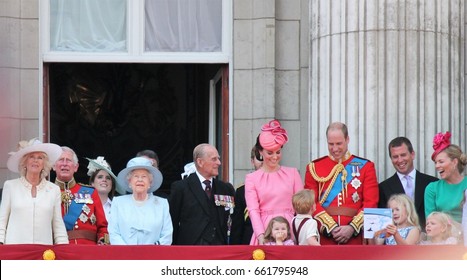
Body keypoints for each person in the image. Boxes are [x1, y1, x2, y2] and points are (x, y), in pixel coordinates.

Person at [304, 122, 379, 245]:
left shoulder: (366, 166)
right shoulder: (314, 167)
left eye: (339, 143)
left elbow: (371, 203)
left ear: (347, 139)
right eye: (331, 144)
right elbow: (310, 202)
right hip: (324, 236)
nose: (335, 149)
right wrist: (330, 226)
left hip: (355, 236)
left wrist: (352, 228)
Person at [245, 119, 304, 245]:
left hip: (290, 229)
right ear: (260, 152)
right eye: (270, 153)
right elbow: (253, 210)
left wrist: (302, 232)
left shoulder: (293, 173)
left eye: (278, 152)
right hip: (265, 229)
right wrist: (261, 236)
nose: (275, 156)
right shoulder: (252, 178)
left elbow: (301, 207)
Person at [0, 139, 68, 245]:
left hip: (43, 253)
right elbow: (1, 221)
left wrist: (64, 247)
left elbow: (58, 224)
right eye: (31, 157)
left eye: (40, 158)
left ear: (44, 164)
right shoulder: (10, 186)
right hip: (15, 250)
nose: (35, 160)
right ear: (25, 162)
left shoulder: (53, 190)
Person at [169, 143, 235, 245]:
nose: (219, 163)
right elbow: (172, 221)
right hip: (190, 250)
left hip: (219, 249)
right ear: (200, 162)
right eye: (214, 159)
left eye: (218, 159)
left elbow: (232, 220)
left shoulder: (225, 189)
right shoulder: (181, 188)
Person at [108, 157, 173, 245]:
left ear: (150, 182)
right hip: (124, 255)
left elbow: (167, 235)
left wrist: (151, 251)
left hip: (154, 256)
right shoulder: (118, 203)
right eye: (136, 176)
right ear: (129, 182)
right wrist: (127, 252)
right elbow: (113, 233)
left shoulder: (162, 204)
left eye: (144, 176)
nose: (140, 180)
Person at [378, 137, 438, 229]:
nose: (400, 160)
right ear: (391, 159)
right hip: (397, 240)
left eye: (403, 155)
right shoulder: (383, 187)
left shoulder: (432, 183)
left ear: (412, 154)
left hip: (428, 239)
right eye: (395, 157)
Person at [54, 146, 109, 244]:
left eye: (69, 160)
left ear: (76, 167)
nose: (65, 164)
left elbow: (102, 226)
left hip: (88, 250)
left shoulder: (90, 192)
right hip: (58, 250)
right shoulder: (47, 192)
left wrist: (102, 241)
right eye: (61, 160)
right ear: (53, 166)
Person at [425, 131, 467, 223]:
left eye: (441, 161)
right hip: (443, 236)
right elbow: (430, 222)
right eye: (436, 162)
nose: (437, 166)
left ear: (454, 162)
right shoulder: (432, 188)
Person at [230, 145, 262, 245]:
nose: (263, 162)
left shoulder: (282, 187)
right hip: (249, 245)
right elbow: (237, 227)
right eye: (259, 158)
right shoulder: (242, 191)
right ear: (252, 161)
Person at [86, 156, 118, 221]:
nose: (104, 180)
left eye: (108, 178)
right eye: (100, 177)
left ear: (112, 184)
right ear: (92, 183)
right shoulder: (83, 204)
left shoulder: (118, 207)